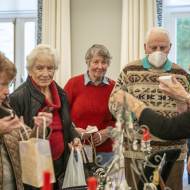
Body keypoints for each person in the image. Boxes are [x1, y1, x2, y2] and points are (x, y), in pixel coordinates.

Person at [109, 27, 190, 190]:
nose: (158, 51)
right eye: (153, 47)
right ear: (145, 47)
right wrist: (130, 116)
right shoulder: (129, 71)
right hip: (137, 151)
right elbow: (113, 102)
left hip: (173, 153)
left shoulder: (181, 74)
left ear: (170, 47)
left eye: (163, 47)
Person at [9, 44, 81, 189]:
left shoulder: (61, 93)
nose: (46, 73)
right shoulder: (18, 97)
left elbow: (66, 123)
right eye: (40, 68)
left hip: (61, 162)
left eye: (50, 68)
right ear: (30, 70)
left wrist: (75, 137)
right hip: (35, 166)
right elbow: (14, 137)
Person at [110, 75, 190, 189]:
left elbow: (167, 128)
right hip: (136, 154)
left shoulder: (183, 76)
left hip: (171, 154)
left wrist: (135, 105)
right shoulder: (127, 72)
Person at [0, 52, 52, 190]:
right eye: (2, 84)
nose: (7, 92)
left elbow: (27, 143)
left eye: (9, 85)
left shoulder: (7, 110)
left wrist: (39, 128)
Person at [64, 44, 116, 166]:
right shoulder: (73, 84)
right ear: (88, 62)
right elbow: (62, 115)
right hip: (77, 148)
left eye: (104, 62)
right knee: (81, 185)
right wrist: (74, 131)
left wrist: (107, 132)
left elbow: (121, 120)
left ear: (108, 64)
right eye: (95, 62)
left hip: (106, 153)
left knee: (103, 184)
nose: (100, 66)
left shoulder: (114, 87)